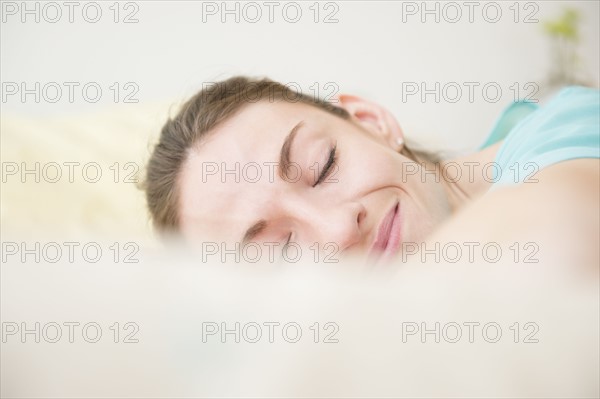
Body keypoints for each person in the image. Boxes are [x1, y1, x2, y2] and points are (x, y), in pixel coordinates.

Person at [142, 76, 599, 266]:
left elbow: (560, 239)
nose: (338, 229)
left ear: (371, 122)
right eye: (280, 252)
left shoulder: (567, 130)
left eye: (323, 168)